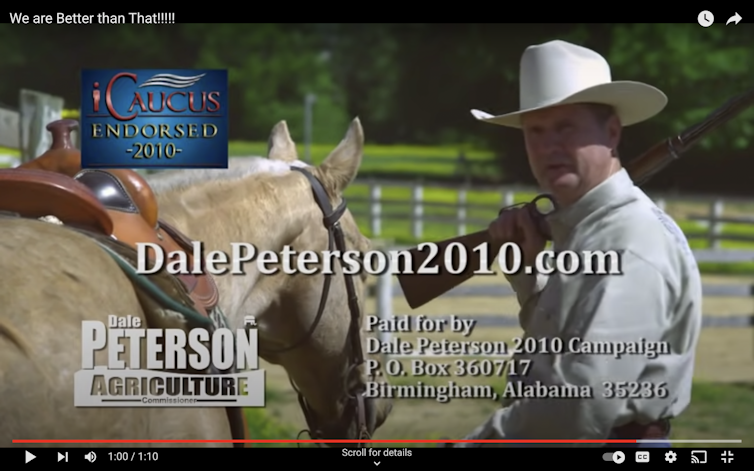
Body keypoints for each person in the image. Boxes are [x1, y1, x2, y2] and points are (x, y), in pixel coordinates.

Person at [454, 40, 702, 447]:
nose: (548, 146)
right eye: (536, 130)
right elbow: (559, 351)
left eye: (566, 127)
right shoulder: (590, 228)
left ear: (612, 132)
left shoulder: (628, 243)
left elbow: (579, 404)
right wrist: (527, 275)